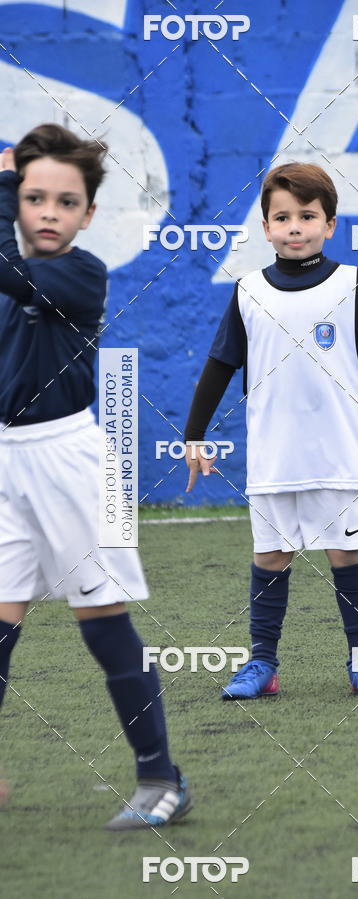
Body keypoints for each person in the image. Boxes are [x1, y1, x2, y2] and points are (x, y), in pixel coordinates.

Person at [184, 162, 358, 700]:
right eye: (282, 216)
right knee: (270, 557)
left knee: (348, 555)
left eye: (307, 215)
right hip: (273, 457)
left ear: (329, 224)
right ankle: (262, 664)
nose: (295, 226)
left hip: (337, 452)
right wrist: (193, 435)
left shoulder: (352, 284)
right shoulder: (246, 291)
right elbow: (219, 366)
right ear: (265, 227)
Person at [0, 124, 192, 830]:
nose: (47, 211)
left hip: (71, 461)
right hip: (6, 462)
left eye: (65, 200)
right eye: (33, 196)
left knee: (102, 621)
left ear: (88, 215)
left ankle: (161, 778)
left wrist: (0, 182)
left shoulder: (82, 273)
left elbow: (10, 271)